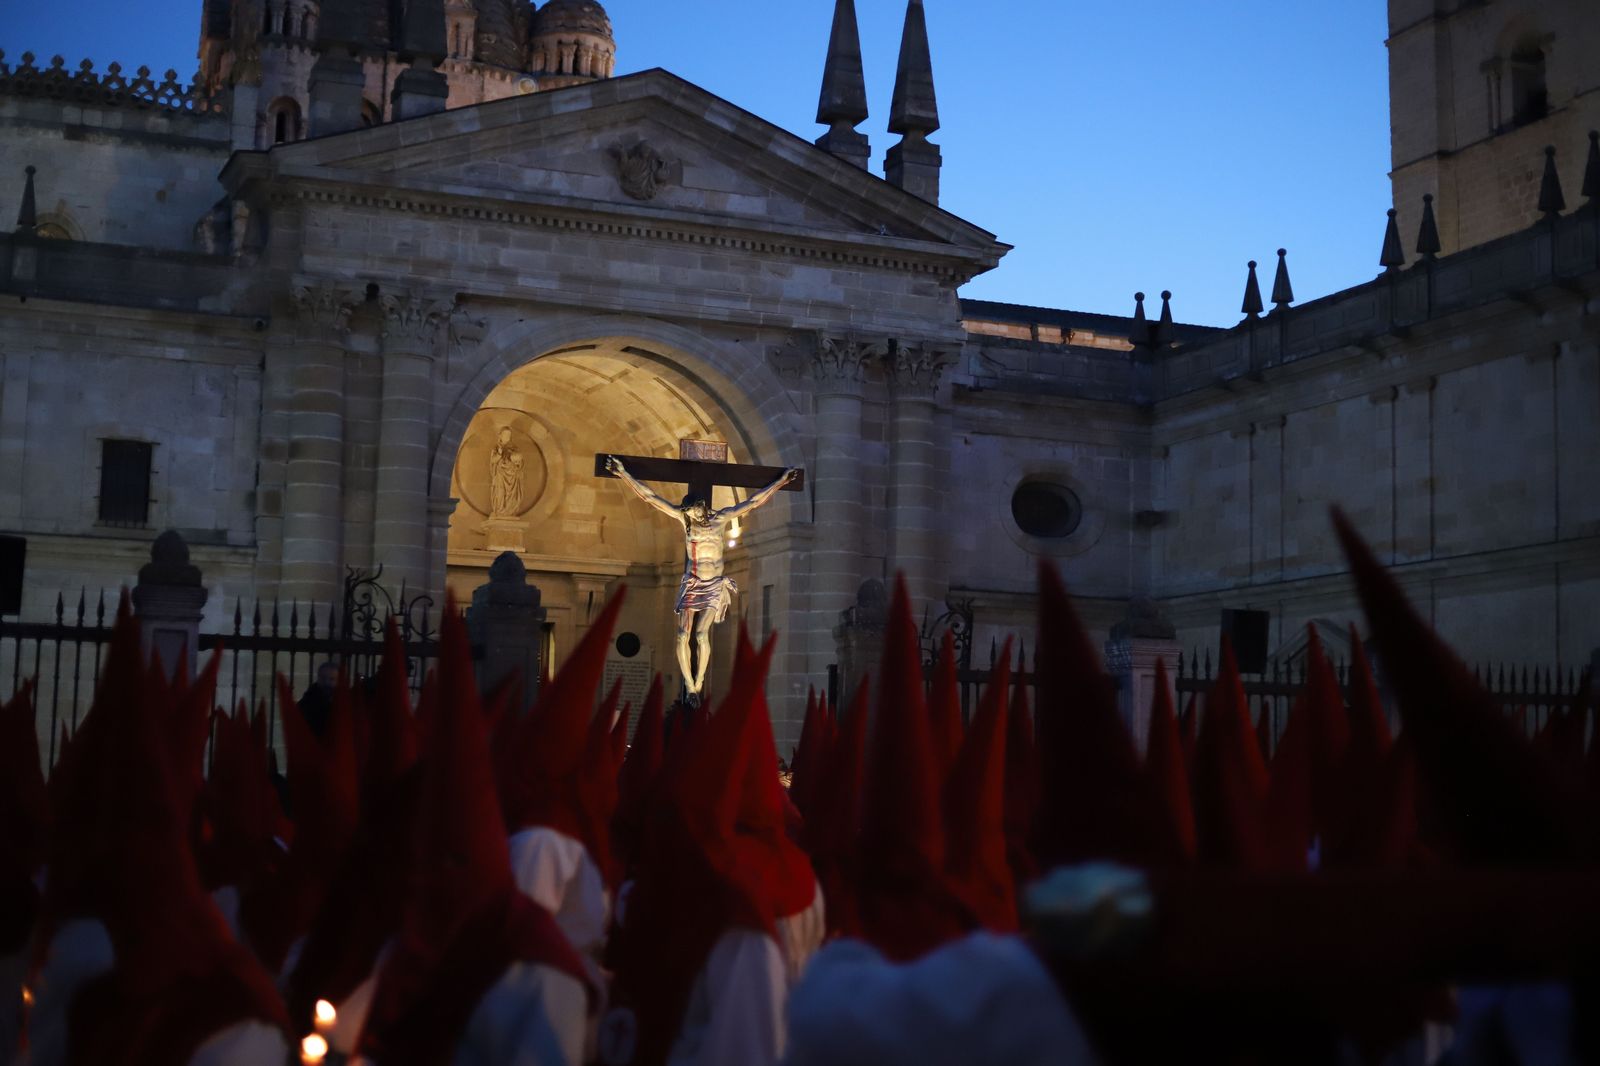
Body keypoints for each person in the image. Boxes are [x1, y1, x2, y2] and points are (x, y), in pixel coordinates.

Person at [605, 456, 797, 702]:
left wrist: (780, 482)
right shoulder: (685, 522)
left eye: (694, 510)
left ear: (702, 505)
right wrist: (623, 473)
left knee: (700, 635)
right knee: (682, 635)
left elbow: (753, 502)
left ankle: (699, 681)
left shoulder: (722, 519)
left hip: (714, 585)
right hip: (694, 582)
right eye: (688, 512)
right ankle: (689, 685)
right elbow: (651, 498)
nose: (692, 515)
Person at [297, 661, 338, 740]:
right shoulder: (306, 703)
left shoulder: (344, 704)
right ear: (318, 678)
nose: (327, 682)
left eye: (332, 679)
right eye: (323, 678)